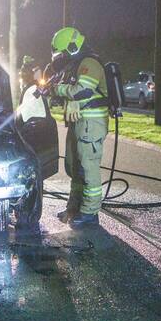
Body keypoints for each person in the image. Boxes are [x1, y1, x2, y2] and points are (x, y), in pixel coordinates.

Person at [46, 27, 109, 229]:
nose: (61, 57)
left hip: (91, 123)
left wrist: (58, 89)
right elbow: (71, 92)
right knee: (75, 167)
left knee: (88, 168)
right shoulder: (75, 65)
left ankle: (90, 212)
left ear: (72, 47)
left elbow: (82, 91)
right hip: (78, 122)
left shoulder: (89, 63)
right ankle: (74, 208)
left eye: (63, 53)